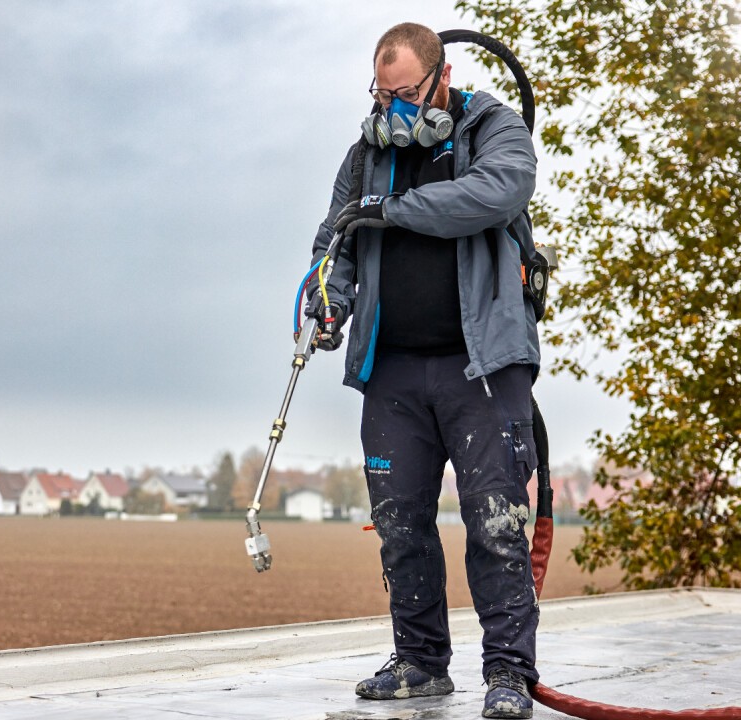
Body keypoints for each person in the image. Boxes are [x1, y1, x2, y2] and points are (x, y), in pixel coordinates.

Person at [305, 22, 541, 720]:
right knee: (399, 522)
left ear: (440, 78)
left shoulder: (494, 130)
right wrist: (326, 299)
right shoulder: (366, 155)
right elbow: (336, 239)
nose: (392, 109)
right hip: (394, 371)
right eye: (381, 95)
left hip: (484, 367)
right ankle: (419, 662)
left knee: (495, 522)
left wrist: (394, 210)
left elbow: (495, 196)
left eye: (405, 93)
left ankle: (507, 674)